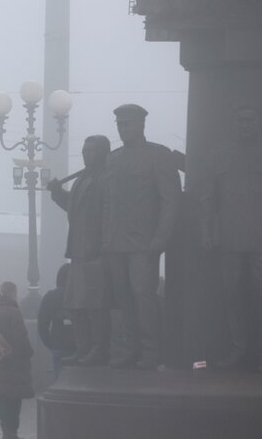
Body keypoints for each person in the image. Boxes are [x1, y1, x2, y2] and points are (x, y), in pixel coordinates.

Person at [103, 104, 181, 370]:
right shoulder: (113, 159)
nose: (123, 129)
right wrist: (106, 236)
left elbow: (170, 200)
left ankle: (151, 350)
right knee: (123, 298)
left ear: (141, 125)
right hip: (116, 241)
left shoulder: (158, 155)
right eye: (119, 124)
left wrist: (161, 236)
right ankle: (130, 348)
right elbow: (108, 202)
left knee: (143, 296)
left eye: (128, 124)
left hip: (144, 242)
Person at [201, 104, 262, 371]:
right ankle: (239, 348)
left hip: (260, 239)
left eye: (250, 120)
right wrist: (206, 230)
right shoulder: (219, 155)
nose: (245, 125)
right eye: (241, 121)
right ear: (234, 124)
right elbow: (208, 198)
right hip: (230, 237)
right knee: (232, 295)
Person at [46, 134, 113, 366]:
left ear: (102, 153)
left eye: (91, 150)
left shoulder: (106, 180)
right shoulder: (82, 179)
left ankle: (98, 348)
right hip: (77, 252)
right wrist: (58, 193)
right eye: (84, 151)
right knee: (75, 304)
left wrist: (105, 244)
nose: (86, 155)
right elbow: (72, 207)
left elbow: (110, 214)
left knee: (94, 305)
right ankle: (83, 347)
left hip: (96, 252)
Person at [0, 281, 34, 439]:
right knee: (15, 398)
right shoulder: (15, 313)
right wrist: (29, 352)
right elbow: (21, 339)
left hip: (0, 361)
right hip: (15, 365)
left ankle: (5, 431)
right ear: (13, 293)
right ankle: (12, 432)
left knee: (3, 398)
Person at [37, 264, 75, 378]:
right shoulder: (79, 295)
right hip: (78, 346)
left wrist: (50, 343)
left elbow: (42, 324)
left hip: (58, 344)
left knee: (60, 378)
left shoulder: (50, 296)